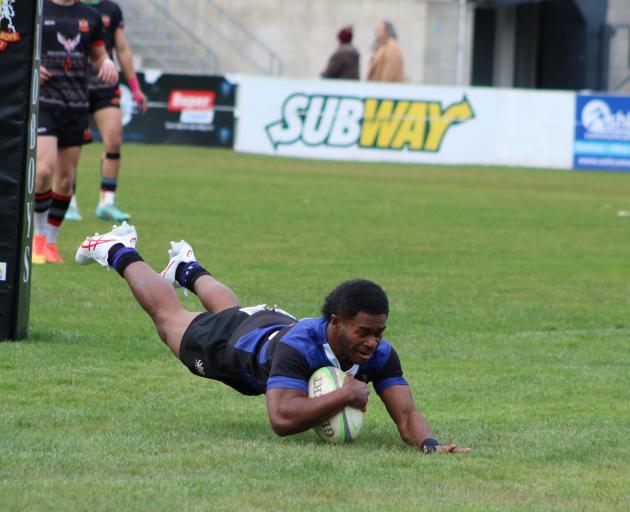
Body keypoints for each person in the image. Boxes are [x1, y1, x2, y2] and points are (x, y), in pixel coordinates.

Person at [75, 222, 471, 454]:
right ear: (336, 323)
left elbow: (406, 416)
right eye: (363, 332)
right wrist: (346, 395)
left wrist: (430, 444)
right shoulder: (299, 348)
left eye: (379, 332)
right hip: (232, 347)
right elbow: (281, 419)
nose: (372, 342)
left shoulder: (379, 354)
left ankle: (187, 268)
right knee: (169, 318)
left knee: (232, 310)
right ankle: (116, 249)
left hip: (265, 323)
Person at [34, 0, 118, 264]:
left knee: (65, 180)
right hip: (45, 102)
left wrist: (106, 63)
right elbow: (16, 47)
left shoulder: (90, 16)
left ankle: (51, 241)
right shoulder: (37, 9)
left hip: (77, 104)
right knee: (43, 171)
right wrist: (32, 67)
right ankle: (37, 236)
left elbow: (98, 54)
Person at [66, 0, 148, 222]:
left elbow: (122, 50)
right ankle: (68, 201)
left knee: (114, 141)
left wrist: (136, 89)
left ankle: (107, 202)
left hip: (105, 85)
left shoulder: (111, 9)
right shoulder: (65, 7)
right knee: (71, 146)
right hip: (73, 86)